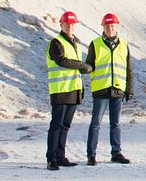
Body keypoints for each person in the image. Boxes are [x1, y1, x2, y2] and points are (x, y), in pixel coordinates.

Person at [46, 10, 93, 171]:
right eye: (67, 24)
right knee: (56, 125)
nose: (70, 26)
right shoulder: (56, 42)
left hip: (73, 90)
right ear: (61, 24)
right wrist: (83, 66)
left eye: (72, 24)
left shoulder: (76, 43)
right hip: (60, 90)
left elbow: (74, 66)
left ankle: (60, 156)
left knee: (65, 126)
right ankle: (51, 158)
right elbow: (62, 60)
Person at [86, 12, 134, 166]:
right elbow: (89, 65)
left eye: (112, 26)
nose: (110, 29)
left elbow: (128, 69)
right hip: (101, 90)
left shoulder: (124, 45)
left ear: (116, 27)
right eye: (107, 26)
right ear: (103, 27)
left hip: (118, 90)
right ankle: (91, 154)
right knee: (95, 123)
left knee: (116, 124)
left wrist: (129, 89)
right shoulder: (95, 44)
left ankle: (116, 153)